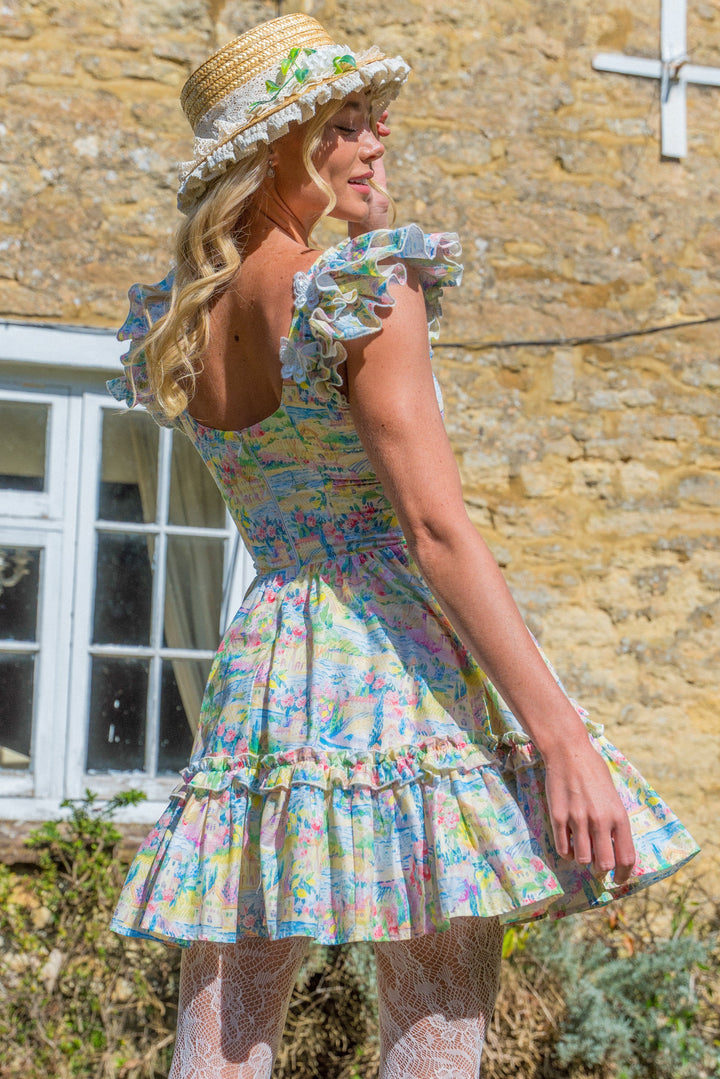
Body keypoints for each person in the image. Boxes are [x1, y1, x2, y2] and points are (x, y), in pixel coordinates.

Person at [108, 13, 699, 1078]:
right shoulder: (360, 286)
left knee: (222, 1034)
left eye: (375, 119)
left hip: (269, 665)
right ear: (277, 148)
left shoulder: (182, 318)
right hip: (395, 668)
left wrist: (350, 207)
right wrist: (561, 737)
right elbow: (433, 529)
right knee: (434, 1038)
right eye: (345, 123)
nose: (377, 139)